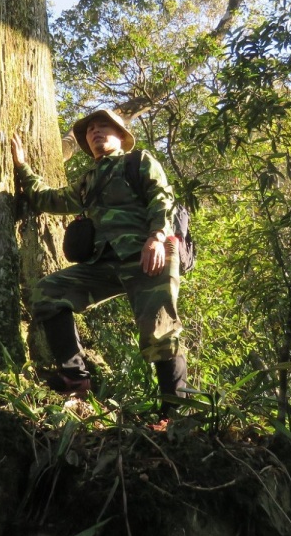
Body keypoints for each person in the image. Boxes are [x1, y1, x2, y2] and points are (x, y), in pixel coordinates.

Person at [10, 108, 187, 414]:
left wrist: (157, 237)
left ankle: (176, 414)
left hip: (149, 253)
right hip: (105, 262)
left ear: (121, 136)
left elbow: (162, 197)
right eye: (91, 130)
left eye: (104, 127)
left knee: (159, 331)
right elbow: (50, 199)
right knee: (49, 292)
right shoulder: (89, 180)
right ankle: (75, 376)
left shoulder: (138, 161)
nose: (96, 132)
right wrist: (23, 166)